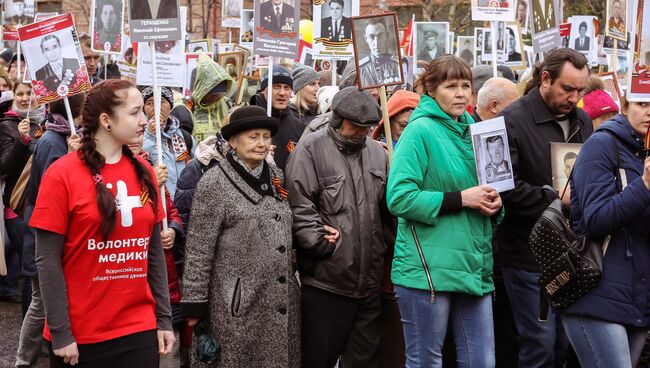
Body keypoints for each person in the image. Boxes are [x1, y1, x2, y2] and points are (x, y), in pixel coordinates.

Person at [29, 79, 175, 366]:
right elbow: (47, 260)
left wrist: (164, 319)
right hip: (81, 334)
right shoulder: (62, 174)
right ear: (106, 121)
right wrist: (60, 332)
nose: (144, 120)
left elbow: (153, 253)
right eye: (134, 113)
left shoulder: (144, 171)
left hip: (138, 328)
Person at [386, 55, 502, 367]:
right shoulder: (419, 130)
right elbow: (398, 198)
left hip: (473, 266)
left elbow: (485, 190)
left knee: (482, 362)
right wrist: (462, 199)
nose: (462, 93)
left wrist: (494, 203)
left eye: (466, 86)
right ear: (432, 90)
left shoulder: (477, 129)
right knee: (426, 362)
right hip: (428, 271)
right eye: (451, 86)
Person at [181, 105, 300, 367]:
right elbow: (199, 249)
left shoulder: (277, 176)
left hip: (278, 297)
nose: (261, 143)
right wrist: (194, 304)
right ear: (233, 141)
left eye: (266, 137)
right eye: (253, 136)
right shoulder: (215, 183)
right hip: (235, 303)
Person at [497, 48, 593, 368]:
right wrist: (553, 200)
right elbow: (502, 187)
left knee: (565, 346)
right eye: (568, 89)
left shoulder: (583, 120)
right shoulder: (511, 120)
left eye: (581, 90)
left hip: (573, 253)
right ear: (545, 79)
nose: (575, 98)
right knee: (539, 345)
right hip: (527, 254)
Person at [286, 87, 389, 368]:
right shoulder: (310, 149)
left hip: (368, 281)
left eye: (367, 128)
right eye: (356, 127)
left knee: (363, 361)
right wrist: (318, 244)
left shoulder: (378, 154)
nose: (362, 133)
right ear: (337, 120)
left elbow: (384, 208)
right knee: (319, 359)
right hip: (327, 281)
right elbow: (299, 204)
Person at [561, 97, 650, 368]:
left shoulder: (644, 153)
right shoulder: (601, 145)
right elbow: (595, 219)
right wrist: (645, 185)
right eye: (643, 104)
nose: (649, 113)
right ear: (625, 107)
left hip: (637, 295)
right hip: (597, 290)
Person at [14, 94, 84, 368]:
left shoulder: (56, 136)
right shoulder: (55, 141)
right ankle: (23, 359)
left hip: (41, 231)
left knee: (42, 301)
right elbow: (53, 191)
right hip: (42, 234)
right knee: (40, 302)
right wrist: (71, 158)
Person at [0, 82, 45, 308]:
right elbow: (4, 167)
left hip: (42, 204)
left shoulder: (46, 123)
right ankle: (30, 334)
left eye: (30, 93)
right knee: (31, 271)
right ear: (13, 97)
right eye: (20, 94)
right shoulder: (8, 125)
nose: (26, 98)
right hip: (17, 208)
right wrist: (22, 140)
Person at [141, 87, 195, 198]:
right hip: (156, 201)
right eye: (150, 103)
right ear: (143, 108)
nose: (156, 107)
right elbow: (139, 159)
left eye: (161, 102)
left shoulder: (185, 137)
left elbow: (196, 168)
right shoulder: (137, 136)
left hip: (181, 203)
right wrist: (150, 135)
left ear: (170, 105)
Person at [251, 64, 304, 172]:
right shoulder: (248, 121)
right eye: (276, 87)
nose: (282, 93)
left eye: (287, 88)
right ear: (263, 90)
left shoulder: (298, 126)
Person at [191, 53, 235, 141]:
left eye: (220, 95)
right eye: (213, 95)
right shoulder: (187, 106)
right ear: (202, 91)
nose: (216, 99)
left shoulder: (227, 104)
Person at [359, 18, 401, 87]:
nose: (376, 43)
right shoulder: (361, 68)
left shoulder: (398, 64)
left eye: (380, 36)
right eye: (371, 37)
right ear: (366, 38)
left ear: (387, 36)